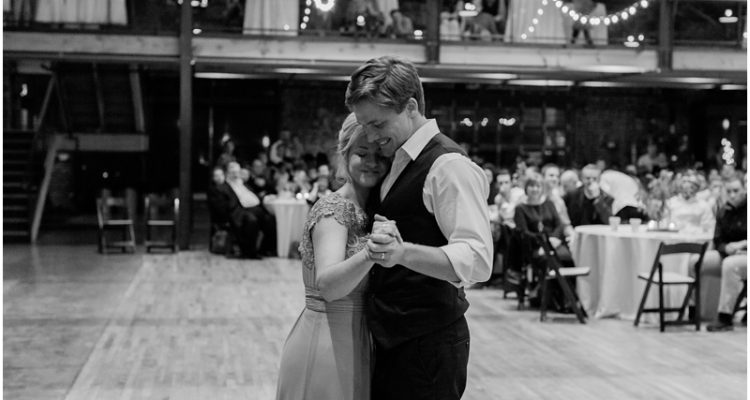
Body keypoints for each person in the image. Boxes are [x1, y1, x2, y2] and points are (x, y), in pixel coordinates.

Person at [345, 56, 493, 400]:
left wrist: (403, 253)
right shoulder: (398, 157)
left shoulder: (448, 166)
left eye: (378, 124)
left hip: (428, 344)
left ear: (411, 107)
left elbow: (477, 258)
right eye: (364, 125)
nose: (371, 136)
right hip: (393, 338)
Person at [275, 113, 390, 399]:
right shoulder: (334, 210)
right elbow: (327, 285)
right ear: (345, 154)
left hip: (355, 341)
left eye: (380, 155)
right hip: (326, 342)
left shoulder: (371, 209)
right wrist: (371, 251)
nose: (372, 162)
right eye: (362, 153)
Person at [706, 174, 747, 331]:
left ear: (744, 189)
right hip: (728, 253)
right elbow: (717, 240)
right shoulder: (724, 211)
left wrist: (743, 244)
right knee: (697, 261)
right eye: (729, 191)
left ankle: (725, 317)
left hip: (745, 255)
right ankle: (694, 311)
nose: (732, 195)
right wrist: (726, 248)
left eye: (736, 191)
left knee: (730, 265)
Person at [216, 161, 276, 258]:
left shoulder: (244, 183)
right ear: (227, 172)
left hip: (254, 208)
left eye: (237, 171)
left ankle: (264, 249)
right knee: (251, 220)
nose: (235, 174)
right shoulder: (223, 187)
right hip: (239, 212)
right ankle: (250, 252)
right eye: (232, 171)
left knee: (270, 219)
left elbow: (254, 194)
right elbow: (224, 207)